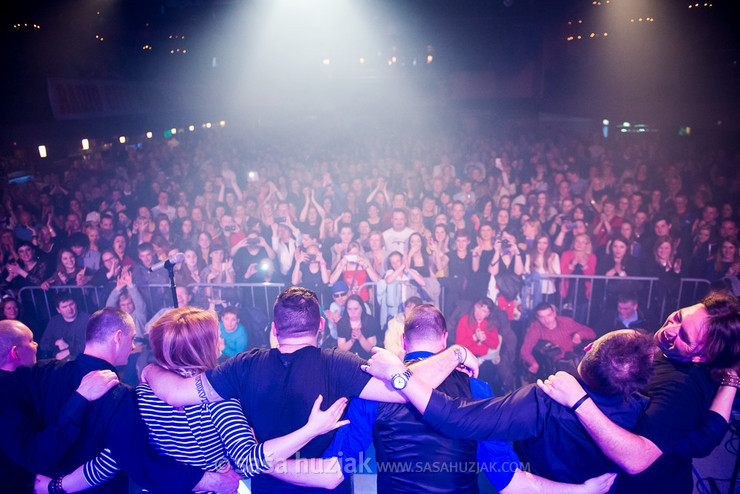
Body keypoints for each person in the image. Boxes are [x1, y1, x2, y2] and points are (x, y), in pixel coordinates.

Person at [142, 286, 480, 494]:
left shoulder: (242, 365)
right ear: (320, 326)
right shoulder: (338, 363)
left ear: (274, 328)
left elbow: (176, 394)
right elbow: (404, 388)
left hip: (267, 487)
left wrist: (149, 367)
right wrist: (455, 354)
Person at [38, 307, 351, 493]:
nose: (222, 342)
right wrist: (310, 430)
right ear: (201, 347)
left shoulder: (139, 395)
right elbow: (248, 460)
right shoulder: (220, 399)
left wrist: (57, 486)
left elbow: (113, 459)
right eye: (216, 337)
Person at [362, 330, 658, 491]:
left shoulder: (541, 401)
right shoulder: (644, 413)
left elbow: (454, 418)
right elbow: (505, 479)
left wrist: (398, 375)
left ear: (588, 348)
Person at [0, 308, 238, 494]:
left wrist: (58, 486)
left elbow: (112, 459)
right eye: (131, 338)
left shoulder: (43, 372)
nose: (133, 346)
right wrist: (215, 480)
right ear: (118, 337)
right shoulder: (121, 395)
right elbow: (134, 461)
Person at [538, 291, 740, 493]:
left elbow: (635, 459)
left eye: (685, 336)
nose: (670, 330)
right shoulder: (668, 351)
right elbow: (701, 440)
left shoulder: (680, 389)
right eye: (678, 317)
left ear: (700, 357)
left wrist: (578, 400)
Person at [455, 297, 516, 394]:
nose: (479, 313)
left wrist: (484, 339)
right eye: (478, 308)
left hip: (485, 359)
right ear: (474, 306)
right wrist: (474, 338)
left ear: (488, 314)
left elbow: (495, 344)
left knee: (488, 378)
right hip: (468, 357)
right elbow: (459, 345)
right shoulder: (464, 320)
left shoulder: (490, 324)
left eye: (484, 311)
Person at [520, 302, 596, 378]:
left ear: (554, 314)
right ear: (537, 318)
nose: (547, 320)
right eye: (542, 317)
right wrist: (533, 363)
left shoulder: (566, 322)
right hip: (554, 368)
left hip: (574, 360)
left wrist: (579, 335)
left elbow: (592, 333)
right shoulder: (535, 328)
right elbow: (525, 350)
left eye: (549, 315)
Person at [39, 294, 91, 361]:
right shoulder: (54, 321)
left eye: (71, 304)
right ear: (58, 310)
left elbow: (91, 344)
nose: (69, 309)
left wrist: (69, 350)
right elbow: (43, 344)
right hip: (59, 362)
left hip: (81, 359)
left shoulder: (87, 319)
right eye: (64, 307)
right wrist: (56, 343)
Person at [336, 294, 381, 360]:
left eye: (356, 309)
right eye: (349, 309)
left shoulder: (370, 321)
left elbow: (370, 349)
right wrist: (352, 340)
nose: (352, 312)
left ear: (362, 308)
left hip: (366, 359)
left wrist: (360, 337)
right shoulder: (342, 323)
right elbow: (341, 349)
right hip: (348, 360)